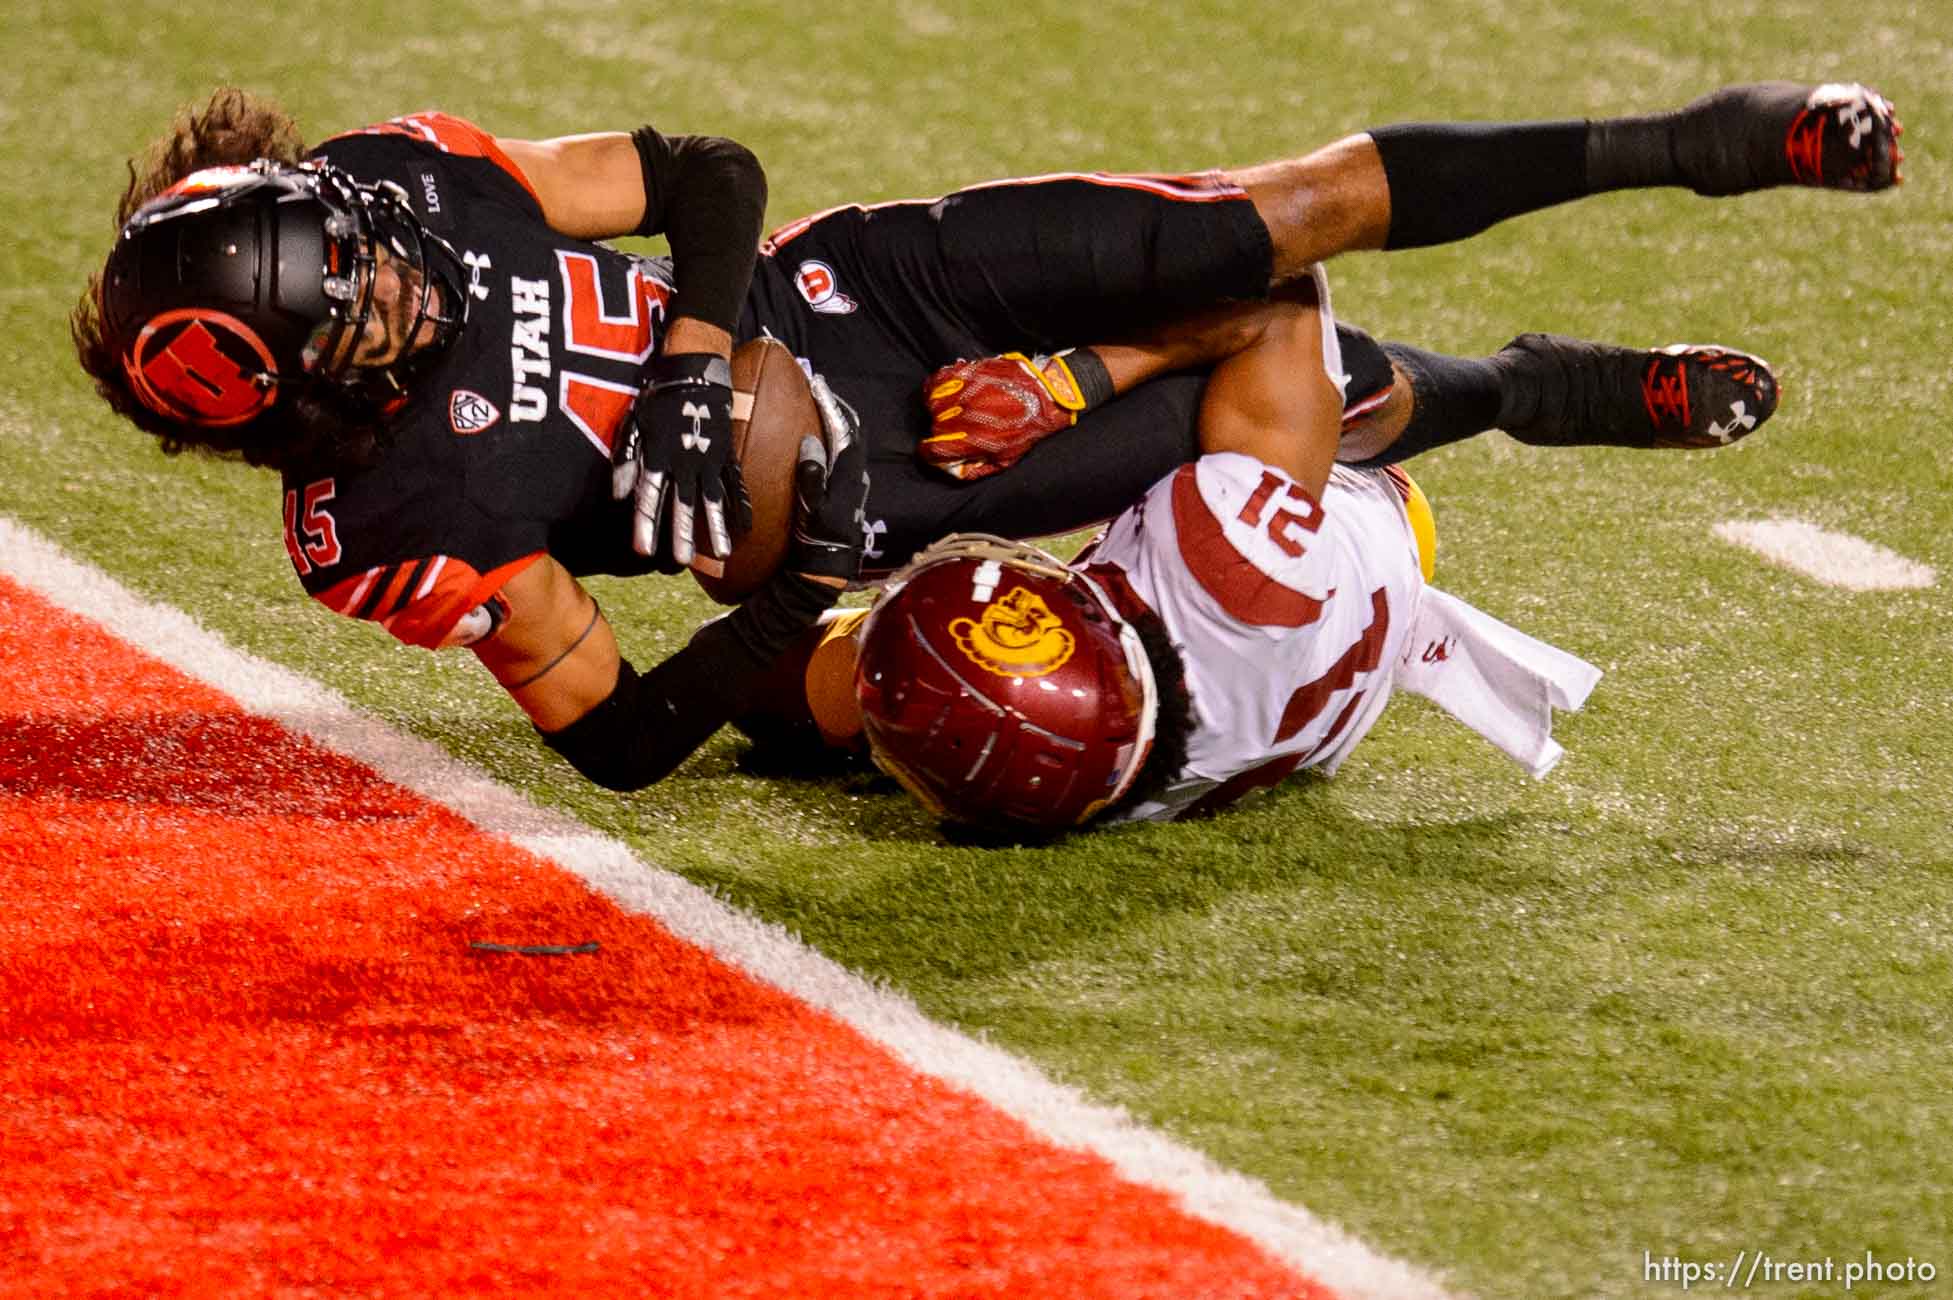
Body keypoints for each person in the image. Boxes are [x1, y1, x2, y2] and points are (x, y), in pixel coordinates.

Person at [70, 82, 1897, 793]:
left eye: (361, 245)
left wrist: (701, 361)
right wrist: (793, 612)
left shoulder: (411, 177)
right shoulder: (394, 522)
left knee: (1283, 221)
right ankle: (1545, 387)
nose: (396, 270)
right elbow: (622, 737)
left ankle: (1712, 138)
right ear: (314, 397)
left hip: (855, 306)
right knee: (1264, 429)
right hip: (845, 525)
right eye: (360, 308)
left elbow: (708, 171)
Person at [844, 273, 1695, 829]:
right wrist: (1068, 380)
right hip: (1373, 518)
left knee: (832, 689)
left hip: (1295, 696)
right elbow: (1283, 298)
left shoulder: (1064, 778)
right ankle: (1526, 386)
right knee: (1340, 370)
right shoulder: (1221, 553)